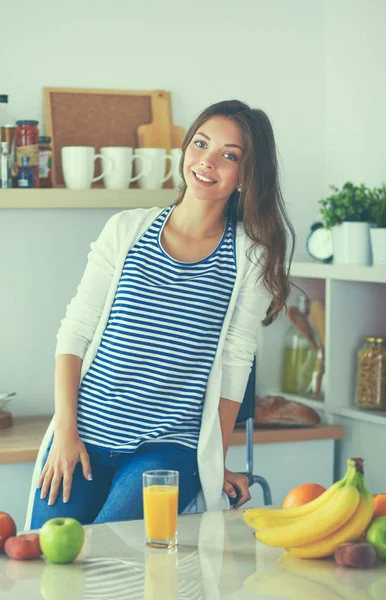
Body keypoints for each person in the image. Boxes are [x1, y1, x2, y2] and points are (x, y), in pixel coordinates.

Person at [26, 99, 294, 529]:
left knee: (109, 563)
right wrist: (66, 432)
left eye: (229, 155)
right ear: (186, 148)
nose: (207, 162)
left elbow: (233, 364)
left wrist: (212, 461)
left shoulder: (249, 257)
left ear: (246, 174)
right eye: (201, 144)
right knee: (48, 563)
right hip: (85, 434)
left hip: (169, 449)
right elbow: (75, 332)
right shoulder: (126, 230)